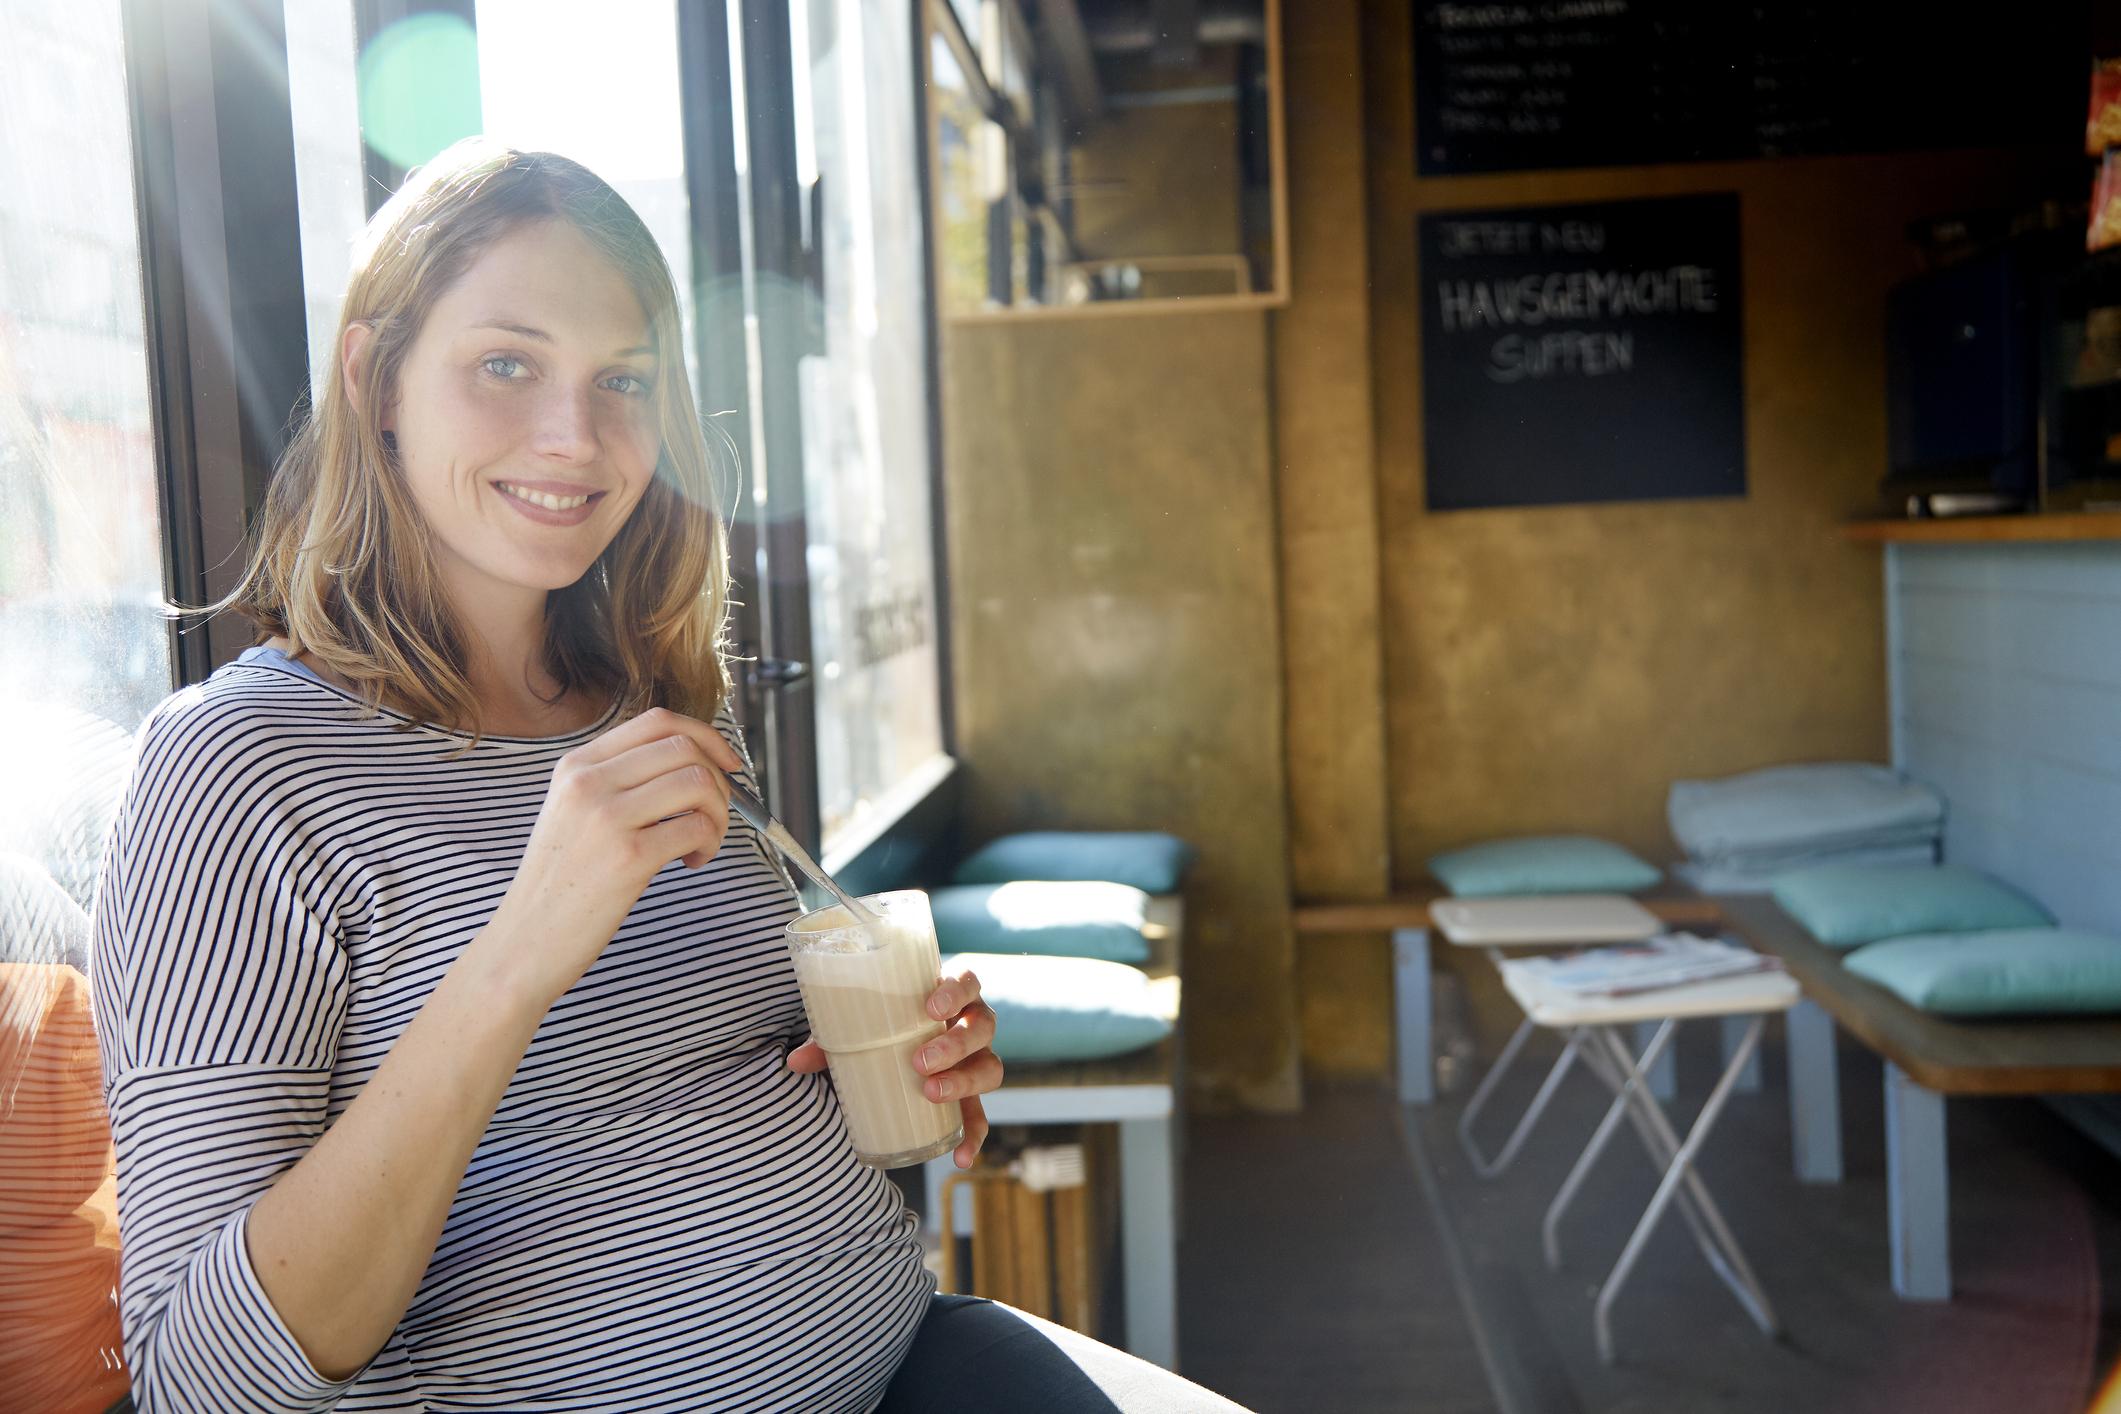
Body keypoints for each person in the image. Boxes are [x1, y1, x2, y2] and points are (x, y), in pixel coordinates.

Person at [89, 138, 1244, 1412]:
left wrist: (880, 1058)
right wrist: (527, 944)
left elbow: (689, 1084)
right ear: (377, 380)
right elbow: (201, 1373)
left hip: (905, 1352)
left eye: (623, 378)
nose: (575, 437)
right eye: (507, 364)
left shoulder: (655, 708)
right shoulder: (238, 768)